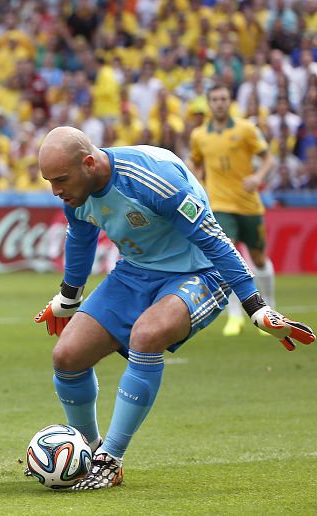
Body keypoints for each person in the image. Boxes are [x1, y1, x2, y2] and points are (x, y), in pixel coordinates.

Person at [33, 126, 314, 490]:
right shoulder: (77, 193)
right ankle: (88, 450)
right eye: (49, 182)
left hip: (200, 272)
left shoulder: (152, 179)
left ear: (88, 163)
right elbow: (81, 239)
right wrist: (68, 300)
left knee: (146, 336)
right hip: (135, 271)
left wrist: (257, 308)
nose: (56, 190)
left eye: (60, 180)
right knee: (67, 357)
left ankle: (111, 459)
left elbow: (215, 241)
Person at [188, 84, 276, 337]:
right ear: (209, 103)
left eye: (223, 98)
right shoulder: (199, 135)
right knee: (230, 260)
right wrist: (198, 185)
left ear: (230, 101)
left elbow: (268, 157)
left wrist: (258, 176)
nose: (219, 103)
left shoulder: (246, 129)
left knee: (258, 258)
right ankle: (236, 316)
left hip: (249, 204)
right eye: (214, 99)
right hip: (219, 205)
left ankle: (270, 309)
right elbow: (194, 162)